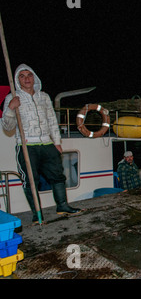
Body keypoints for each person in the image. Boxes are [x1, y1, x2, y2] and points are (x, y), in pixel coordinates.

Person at [1, 64, 81, 224]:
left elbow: (52, 120)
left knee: (58, 176)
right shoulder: (12, 98)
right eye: (22, 76)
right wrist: (10, 109)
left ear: (34, 77)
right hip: (26, 146)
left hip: (47, 143)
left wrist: (57, 142)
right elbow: (7, 127)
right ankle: (36, 213)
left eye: (29, 75)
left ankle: (62, 206)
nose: (26, 78)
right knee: (31, 180)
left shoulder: (43, 96)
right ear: (17, 80)